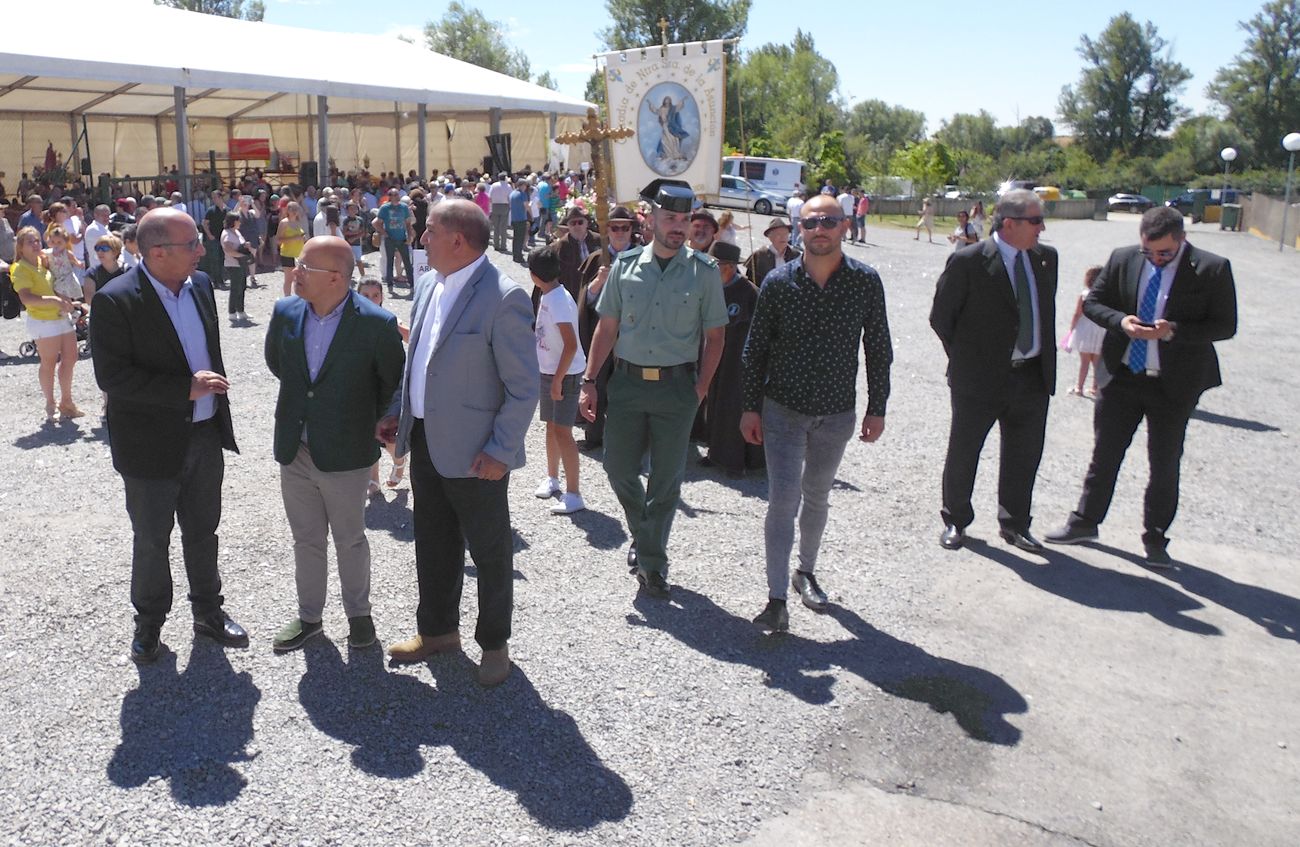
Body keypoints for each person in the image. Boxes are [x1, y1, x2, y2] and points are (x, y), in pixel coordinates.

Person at [375, 200, 538, 687]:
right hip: (426, 441)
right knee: (433, 541)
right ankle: (439, 632)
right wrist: (398, 415)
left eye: (428, 231)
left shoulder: (504, 297)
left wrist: (501, 451)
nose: (421, 239)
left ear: (457, 241)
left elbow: (523, 386)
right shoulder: (428, 284)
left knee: (489, 553)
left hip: (477, 454)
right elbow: (418, 362)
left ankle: (494, 644)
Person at [89, 208, 248, 664]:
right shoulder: (116, 299)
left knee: (204, 531)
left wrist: (208, 400)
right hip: (149, 445)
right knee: (152, 538)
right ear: (157, 252)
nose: (203, 250)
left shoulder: (199, 287)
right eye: (193, 244)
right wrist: (186, 388)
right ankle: (150, 622)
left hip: (203, 434)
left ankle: (208, 613)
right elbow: (113, 377)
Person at [1044, 207, 1238, 565]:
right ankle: (1085, 522)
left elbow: (1225, 325)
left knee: (1164, 463)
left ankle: (1156, 538)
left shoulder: (1212, 268)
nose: (1155, 258)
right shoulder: (1123, 259)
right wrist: (1122, 323)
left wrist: (1174, 330)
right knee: (1104, 456)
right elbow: (1094, 304)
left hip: (1173, 384)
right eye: (1148, 251)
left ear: (1182, 239)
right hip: (1122, 377)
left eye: (1164, 252)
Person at [740, 195, 892, 632]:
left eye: (829, 221)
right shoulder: (777, 282)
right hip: (782, 410)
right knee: (782, 499)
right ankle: (776, 599)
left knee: (819, 495)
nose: (820, 229)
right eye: (811, 222)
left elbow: (878, 349)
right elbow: (755, 351)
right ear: (798, 229)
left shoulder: (865, 282)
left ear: (845, 226)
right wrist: (750, 407)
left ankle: (805, 571)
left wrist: (877, 407)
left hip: (837, 413)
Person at [579, 179, 728, 599]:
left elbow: (715, 337)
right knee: (617, 469)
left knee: (666, 481)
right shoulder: (625, 267)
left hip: (677, 388)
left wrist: (699, 390)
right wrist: (589, 382)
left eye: (685, 219)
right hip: (627, 385)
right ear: (651, 219)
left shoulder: (704, 272)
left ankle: (652, 564)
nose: (679, 226)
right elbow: (606, 328)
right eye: (670, 218)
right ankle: (644, 535)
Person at [265, 236, 405, 653]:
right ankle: (310, 617)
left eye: (305, 267)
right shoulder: (285, 310)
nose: (295, 273)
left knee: (350, 538)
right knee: (306, 539)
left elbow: (392, 383)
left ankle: (359, 618)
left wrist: (375, 419)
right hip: (296, 448)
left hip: (346, 451)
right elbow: (278, 363)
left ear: (336, 278)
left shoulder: (377, 323)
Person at [929, 188, 1057, 553]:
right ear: (1011, 223)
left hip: (1032, 376)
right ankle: (956, 520)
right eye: (1035, 221)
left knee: (1024, 454)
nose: (1042, 228)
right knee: (964, 450)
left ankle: (1015, 524)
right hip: (979, 378)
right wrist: (968, 358)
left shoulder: (1045, 259)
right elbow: (942, 317)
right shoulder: (970, 261)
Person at [529, 246, 587, 514]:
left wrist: (557, 380)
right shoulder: (548, 294)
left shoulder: (558, 300)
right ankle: (553, 477)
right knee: (551, 427)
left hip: (564, 374)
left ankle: (574, 493)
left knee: (563, 432)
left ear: (533, 274)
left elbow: (571, 345)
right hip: (550, 371)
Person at [574, 205, 637, 450]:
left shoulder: (643, 258)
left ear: (631, 229)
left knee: (628, 387)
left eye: (625, 227)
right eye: (615, 227)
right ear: (607, 230)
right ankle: (594, 435)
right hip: (601, 332)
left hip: (631, 335)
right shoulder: (596, 259)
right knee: (596, 383)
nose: (620, 232)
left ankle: (628, 438)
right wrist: (598, 283)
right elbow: (585, 300)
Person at [700, 241, 763, 478]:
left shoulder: (749, 292)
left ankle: (737, 461)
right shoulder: (713, 288)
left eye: (714, 265)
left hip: (740, 359)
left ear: (727, 267)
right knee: (714, 402)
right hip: (716, 355)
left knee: (734, 407)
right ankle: (715, 453)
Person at [11, 226, 82, 420]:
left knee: (70, 358)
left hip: (60, 317)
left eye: (36, 240)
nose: (35, 244)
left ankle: (66, 402)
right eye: (30, 242)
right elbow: (26, 298)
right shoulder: (20, 268)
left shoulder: (44, 263)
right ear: (21, 248)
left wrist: (66, 301)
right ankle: (50, 404)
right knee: (49, 362)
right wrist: (54, 301)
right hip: (43, 320)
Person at [356, 280, 411, 491]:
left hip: (388, 387)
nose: (371, 300)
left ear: (382, 297)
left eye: (375, 295)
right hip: (363, 386)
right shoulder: (351, 321)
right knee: (367, 434)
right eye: (366, 295)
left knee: (388, 437)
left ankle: (399, 462)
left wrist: (396, 327)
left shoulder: (389, 321)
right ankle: (374, 477)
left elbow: (415, 338)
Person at [1063, 266, 1106, 397]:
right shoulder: (1105, 295)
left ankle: (1079, 387)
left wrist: (1072, 328)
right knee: (1097, 361)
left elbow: (1077, 314)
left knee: (1084, 361)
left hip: (1085, 329)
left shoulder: (1084, 295)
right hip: (1100, 329)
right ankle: (1095, 387)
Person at [376, 188, 414, 294]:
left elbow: (408, 223)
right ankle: (390, 285)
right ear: (390, 196)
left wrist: (410, 235)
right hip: (390, 239)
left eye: (397, 194)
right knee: (390, 261)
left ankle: (412, 285)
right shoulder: (385, 208)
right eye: (394, 194)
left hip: (402, 238)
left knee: (407, 262)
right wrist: (385, 233)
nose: (396, 196)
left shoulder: (404, 207)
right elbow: (378, 223)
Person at [744, 218, 801, 288]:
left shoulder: (795, 255)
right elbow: (751, 282)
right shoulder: (759, 255)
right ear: (770, 237)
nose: (783, 237)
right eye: (778, 234)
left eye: (785, 234)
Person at [219, 211, 249, 323]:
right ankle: (232, 312)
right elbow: (228, 249)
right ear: (233, 221)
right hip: (233, 264)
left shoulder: (236, 232)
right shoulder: (227, 234)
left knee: (242, 287)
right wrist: (241, 255)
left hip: (241, 263)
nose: (240, 222)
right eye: (238, 220)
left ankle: (240, 310)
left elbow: (240, 244)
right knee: (235, 288)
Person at [43, 224, 84, 301]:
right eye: (53, 242)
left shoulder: (67, 253)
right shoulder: (48, 253)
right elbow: (41, 255)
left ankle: (71, 307)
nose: (56, 245)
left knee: (61, 292)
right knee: (57, 292)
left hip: (66, 277)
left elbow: (75, 261)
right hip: (56, 277)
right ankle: (72, 307)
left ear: (65, 243)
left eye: (59, 242)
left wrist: (79, 264)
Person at [276, 201, 307, 297]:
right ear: (287, 210)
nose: (294, 211)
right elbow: (278, 240)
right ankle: (287, 298)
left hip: (299, 255)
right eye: (291, 209)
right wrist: (295, 238)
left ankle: (298, 297)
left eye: (296, 209)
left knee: (298, 278)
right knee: (289, 279)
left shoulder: (298, 222)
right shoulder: (284, 223)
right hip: (287, 254)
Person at [86, 233, 126, 301]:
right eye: (97, 248)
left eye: (104, 248)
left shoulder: (127, 271)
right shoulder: (92, 273)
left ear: (115, 252)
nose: (100, 252)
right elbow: (89, 300)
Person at [488, 172, 511, 252]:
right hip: (504, 205)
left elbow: (490, 197)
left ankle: (496, 244)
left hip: (495, 205)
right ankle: (503, 245)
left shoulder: (494, 185)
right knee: (503, 227)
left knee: (496, 227)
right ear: (505, 178)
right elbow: (509, 197)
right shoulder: (508, 186)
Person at [508, 179, 529, 264]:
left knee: (516, 238)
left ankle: (515, 255)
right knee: (520, 238)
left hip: (514, 218)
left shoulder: (512, 193)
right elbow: (526, 206)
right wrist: (531, 214)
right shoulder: (522, 194)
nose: (526, 187)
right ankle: (519, 256)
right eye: (525, 185)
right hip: (521, 218)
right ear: (522, 185)